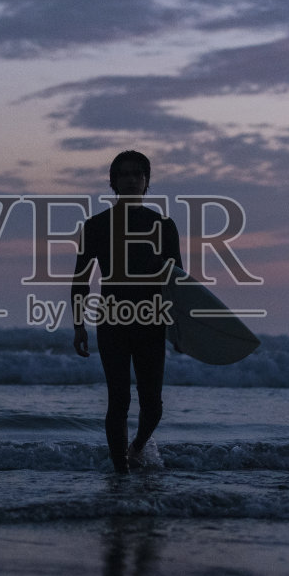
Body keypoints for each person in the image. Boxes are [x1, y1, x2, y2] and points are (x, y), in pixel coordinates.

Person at [71, 151, 181, 473]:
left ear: (147, 182)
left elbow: (178, 282)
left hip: (151, 322)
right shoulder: (95, 226)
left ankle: (136, 448)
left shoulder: (162, 226)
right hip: (112, 322)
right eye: (124, 174)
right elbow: (80, 279)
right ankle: (120, 471)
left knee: (153, 407)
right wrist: (79, 326)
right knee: (118, 401)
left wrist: (180, 331)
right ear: (113, 182)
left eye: (138, 174)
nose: (131, 179)